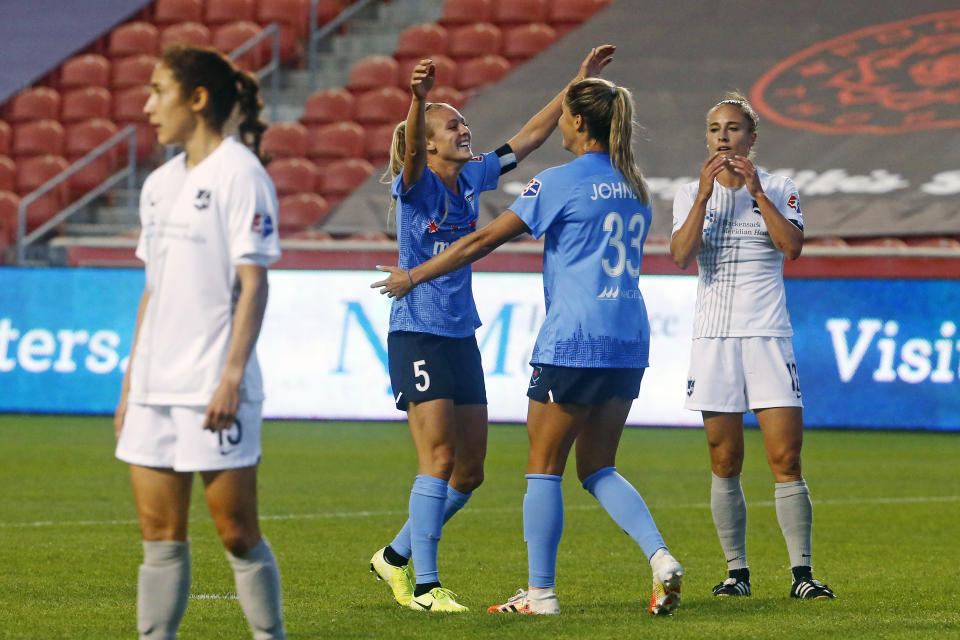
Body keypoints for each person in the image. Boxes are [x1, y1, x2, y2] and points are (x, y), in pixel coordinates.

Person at [373, 75, 683, 616]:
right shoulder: (635, 186)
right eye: (453, 125)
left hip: (533, 337)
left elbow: (521, 151)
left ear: (580, 122)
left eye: (570, 113)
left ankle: (524, 590)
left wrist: (415, 273)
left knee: (495, 470)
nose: (465, 129)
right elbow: (437, 162)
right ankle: (422, 583)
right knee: (450, 460)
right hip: (432, 330)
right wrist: (421, 100)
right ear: (425, 140)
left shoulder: (491, 179)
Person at [114, 45, 286, 639]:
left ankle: (270, 635)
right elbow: (152, 291)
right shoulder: (159, 183)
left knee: (237, 533)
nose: (147, 105)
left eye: (158, 91)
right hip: (154, 388)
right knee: (158, 538)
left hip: (212, 387)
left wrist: (232, 377)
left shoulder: (241, 175)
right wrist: (130, 381)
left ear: (198, 99)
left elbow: (253, 285)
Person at [669, 92, 834, 600]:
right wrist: (701, 197)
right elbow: (680, 256)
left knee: (785, 458)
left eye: (734, 128)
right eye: (715, 128)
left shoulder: (780, 188)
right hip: (714, 339)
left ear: (752, 138)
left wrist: (757, 192)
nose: (723, 136)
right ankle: (736, 573)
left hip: (767, 336)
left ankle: (802, 576)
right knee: (724, 458)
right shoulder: (688, 192)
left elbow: (792, 247)